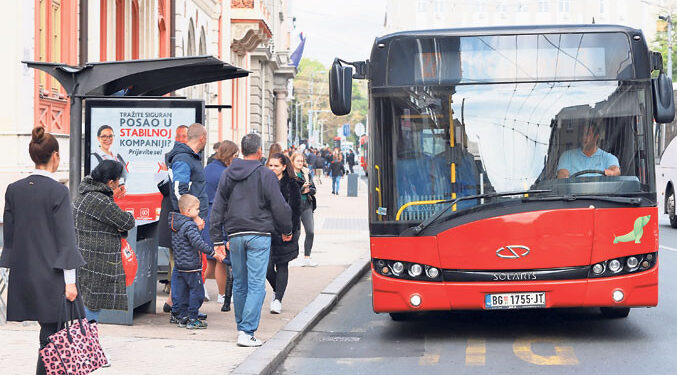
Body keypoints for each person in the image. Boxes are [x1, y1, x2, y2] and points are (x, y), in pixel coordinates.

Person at [0, 126, 86, 375]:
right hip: (53, 275)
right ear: (56, 156)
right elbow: (66, 240)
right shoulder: (58, 191)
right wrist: (70, 282)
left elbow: (11, 236)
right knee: (52, 335)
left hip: (25, 273)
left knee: (50, 333)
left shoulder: (14, 189)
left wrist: (10, 270)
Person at [209, 133, 292, 347]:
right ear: (260, 152)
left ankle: (242, 329)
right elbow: (279, 206)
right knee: (256, 285)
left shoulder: (228, 173)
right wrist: (286, 229)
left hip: (235, 234)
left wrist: (217, 239)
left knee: (240, 283)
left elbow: (218, 207)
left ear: (242, 152)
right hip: (259, 234)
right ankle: (247, 332)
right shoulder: (266, 175)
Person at [73, 160, 136, 323]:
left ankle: (87, 340)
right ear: (110, 182)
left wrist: (112, 197)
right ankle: (87, 341)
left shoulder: (87, 191)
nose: (119, 184)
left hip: (85, 255)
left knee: (89, 301)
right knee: (92, 304)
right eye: (118, 181)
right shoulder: (99, 199)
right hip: (95, 260)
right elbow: (126, 221)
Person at [167, 123, 210, 302]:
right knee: (185, 265)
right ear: (202, 139)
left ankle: (178, 305)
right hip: (187, 222)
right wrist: (195, 216)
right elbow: (179, 190)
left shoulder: (189, 158)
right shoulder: (184, 159)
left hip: (189, 220)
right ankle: (179, 307)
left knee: (185, 264)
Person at [169, 194, 225, 329]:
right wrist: (213, 252)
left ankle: (182, 317)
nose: (198, 212)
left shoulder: (176, 223)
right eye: (196, 209)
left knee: (182, 292)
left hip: (180, 264)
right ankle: (193, 318)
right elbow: (197, 243)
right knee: (197, 292)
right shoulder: (189, 226)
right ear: (188, 211)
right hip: (191, 265)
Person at [203, 140, 239, 312]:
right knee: (221, 259)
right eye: (235, 155)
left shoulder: (207, 168)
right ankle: (222, 294)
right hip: (220, 215)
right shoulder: (225, 173)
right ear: (229, 155)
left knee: (209, 258)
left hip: (206, 213)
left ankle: (201, 287)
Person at [266, 153, 302, 314]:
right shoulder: (264, 181)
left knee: (282, 264)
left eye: (276, 166)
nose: (273, 168)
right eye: (270, 165)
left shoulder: (291, 184)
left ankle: (278, 298)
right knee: (266, 267)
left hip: (285, 231)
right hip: (266, 230)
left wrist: (290, 231)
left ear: (284, 167)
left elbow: (295, 210)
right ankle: (278, 289)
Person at [556, 123, 621, 179]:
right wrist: (564, 176)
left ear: (596, 137)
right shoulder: (567, 156)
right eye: (582, 134)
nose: (583, 138)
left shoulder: (608, 158)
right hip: (573, 193)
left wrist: (611, 173)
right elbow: (562, 176)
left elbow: (615, 171)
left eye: (587, 134)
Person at [291, 152, 318, 267]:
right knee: (296, 233)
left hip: (307, 205)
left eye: (301, 161)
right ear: (292, 162)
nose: (300, 163)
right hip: (294, 206)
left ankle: (307, 257)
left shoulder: (306, 173)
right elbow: (289, 190)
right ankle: (293, 257)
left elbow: (314, 189)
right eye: (298, 161)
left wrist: (309, 190)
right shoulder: (289, 174)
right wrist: (302, 189)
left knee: (310, 231)